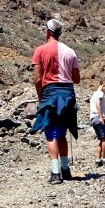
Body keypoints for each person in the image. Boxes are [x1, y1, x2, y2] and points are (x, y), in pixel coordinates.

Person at [30, 19, 80, 184]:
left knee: (51, 133)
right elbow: (77, 79)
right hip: (67, 94)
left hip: (50, 94)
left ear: (47, 32)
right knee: (62, 133)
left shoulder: (40, 50)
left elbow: (38, 79)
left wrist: (41, 97)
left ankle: (55, 172)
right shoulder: (70, 51)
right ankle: (66, 169)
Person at [89, 76, 105, 166]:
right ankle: (104, 159)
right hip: (98, 118)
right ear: (104, 85)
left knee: (101, 139)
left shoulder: (94, 94)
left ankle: (98, 160)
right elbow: (98, 105)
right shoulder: (100, 93)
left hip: (93, 118)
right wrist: (101, 117)